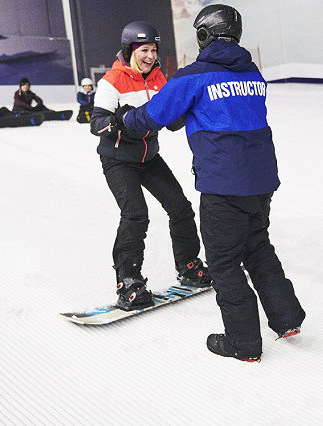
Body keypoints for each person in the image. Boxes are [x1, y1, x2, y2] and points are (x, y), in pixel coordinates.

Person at [114, 5, 306, 361]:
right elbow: (224, 108)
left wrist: (125, 118)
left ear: (203, 35)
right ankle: (287, 318)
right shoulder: (252, 74)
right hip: (261, 180)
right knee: (257, 247)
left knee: (224, 262)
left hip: (223, 183)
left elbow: (155, 115)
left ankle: (244, 343)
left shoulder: (193, 76)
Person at [90, 21, 211, 311]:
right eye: (144, 49)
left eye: (154, 50)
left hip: (149, 157)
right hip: (119, 160)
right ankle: (128, 280)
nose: (150, 56)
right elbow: (96, 124)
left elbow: (169, 119)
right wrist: (117, 120)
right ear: (130, 50)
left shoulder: (159, 79)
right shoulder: (113, 81)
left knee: (180, 207)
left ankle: (188, 265)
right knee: (135, 214)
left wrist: (184, 114)